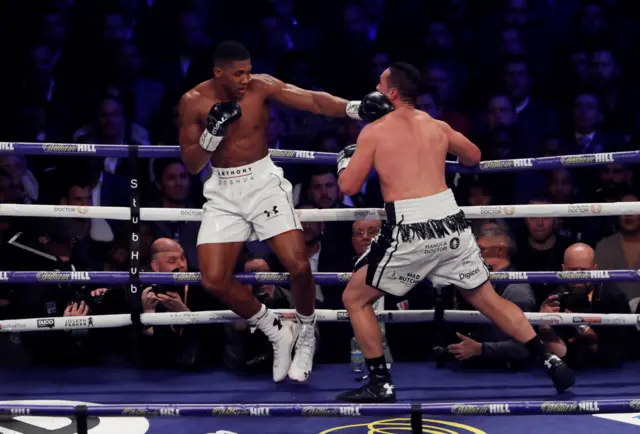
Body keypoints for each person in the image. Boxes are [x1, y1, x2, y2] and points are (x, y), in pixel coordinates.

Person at [335, 61, 575, 402]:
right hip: (451, 221)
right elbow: (474, 156)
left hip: (410, 225)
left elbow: (348, 184)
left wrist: (346, 159)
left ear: (390, 92)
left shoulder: (374, 131)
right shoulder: (437, 125)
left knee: (354, 298)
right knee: (486, 297)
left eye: (379, 81)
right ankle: (549, 359)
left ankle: (380, 382)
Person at [178, 41, 380, 383]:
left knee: (299, 266)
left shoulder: (261, 86)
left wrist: (356, 109)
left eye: (248, 70)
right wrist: (212, 134)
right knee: (213, 280)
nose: (245, 78)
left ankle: (304, 334)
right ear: (218, 72)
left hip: (262, 183)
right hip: (223, 190)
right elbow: (193, 164)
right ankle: (274, 328)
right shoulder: (193, 102)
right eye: (238, 73)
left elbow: (312, 99)